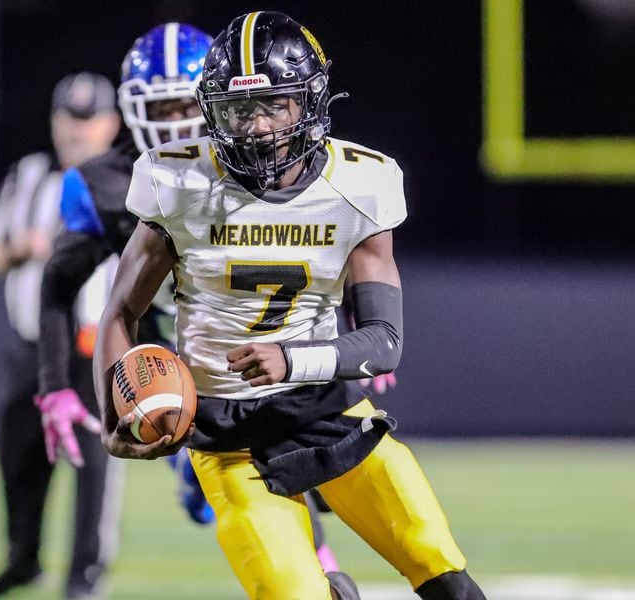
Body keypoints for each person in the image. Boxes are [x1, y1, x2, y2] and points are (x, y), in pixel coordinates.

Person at [89, 12, 488, 600]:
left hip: (328, 413)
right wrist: (111, 416)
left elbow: (384, 341)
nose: (256, 127)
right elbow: (120, 313)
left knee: (439, 564)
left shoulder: (359, 184)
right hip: (225, 434)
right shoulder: (179, 182)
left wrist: (291, 358)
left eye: (274, 106)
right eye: (236, 111)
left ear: (310, 101)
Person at [0, 72, 123, 600]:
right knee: (17, 454)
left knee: (95, 464)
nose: (77, 130)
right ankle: (22, 559)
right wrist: (22, 248)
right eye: (69, 117)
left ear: (112, 124)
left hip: (92, 346)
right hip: (31, 346)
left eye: (88, 119)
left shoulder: (125, 180)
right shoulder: (30, 175)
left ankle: (84, 576)